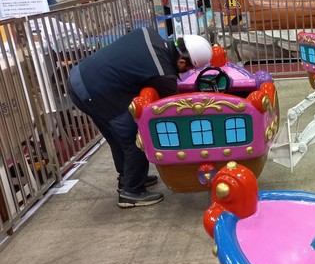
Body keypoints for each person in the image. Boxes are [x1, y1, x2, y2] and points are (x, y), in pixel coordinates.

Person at [67, 28, 213, 208]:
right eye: (188, 69)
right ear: (182, 62)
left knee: (117, 137)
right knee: (136, 136)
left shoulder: (150, 33)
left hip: (80, 78)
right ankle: (131, 191)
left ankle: (129, 178)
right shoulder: (163, 73)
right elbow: (174, 109)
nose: (185, 73)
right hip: (94, 90)